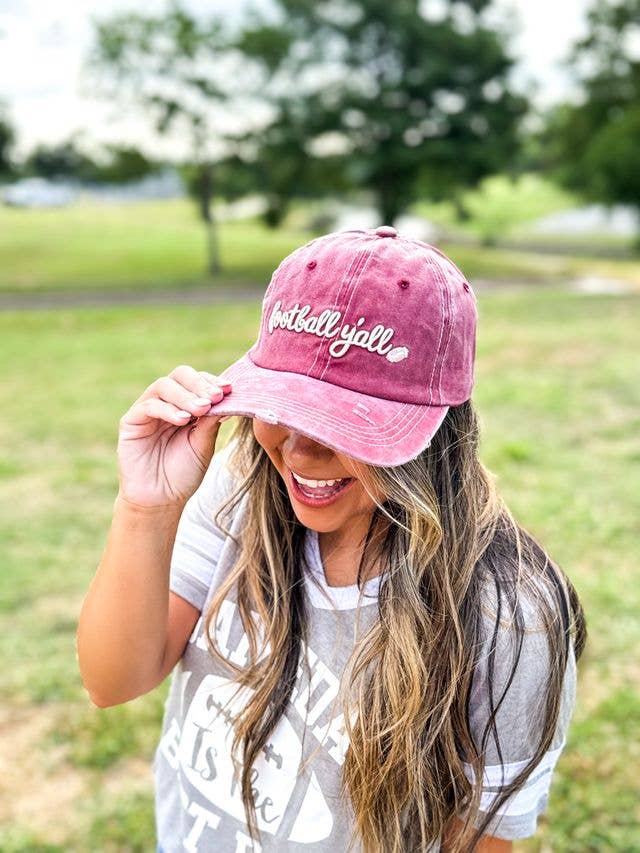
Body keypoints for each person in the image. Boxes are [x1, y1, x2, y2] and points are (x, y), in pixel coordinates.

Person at [77, 226, 587, 853]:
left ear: (437, 426)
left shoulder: (509, 618)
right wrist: (145, 508)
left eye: (345, 422)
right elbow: (113, 681)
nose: (298, 450)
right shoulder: (239, 490)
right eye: (281, 407)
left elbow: (478, 840)